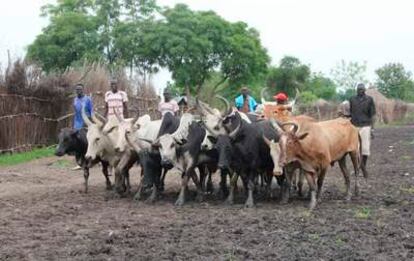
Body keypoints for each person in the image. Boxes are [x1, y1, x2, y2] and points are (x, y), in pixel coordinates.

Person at [349, 83, 376, 178]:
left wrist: (372, 129)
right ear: (356, 90)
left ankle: (363, 167)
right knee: (355, 149)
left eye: (361, 89)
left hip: (365, 126)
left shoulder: (369, 99)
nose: (360, 90)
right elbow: (351, 113)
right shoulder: (352, 99)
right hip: (354, 126)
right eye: (358, 89)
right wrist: (345, 115)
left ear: (365, 90)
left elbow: (372, 115)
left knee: (365, 149)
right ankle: (357, 169)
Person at [72, 83, 93, 170]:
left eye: (80, 89)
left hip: (86, 123)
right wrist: (73, 124)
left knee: (86, 142)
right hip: (77, 123)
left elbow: (91, 112)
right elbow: (75, 112)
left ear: (83, 90)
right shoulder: (75, 100)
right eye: (77, 89)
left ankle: (89, 161)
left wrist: (89, 123)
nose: (78, 91)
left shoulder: (87, 99)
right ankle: (79, 162)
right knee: (76, 143)